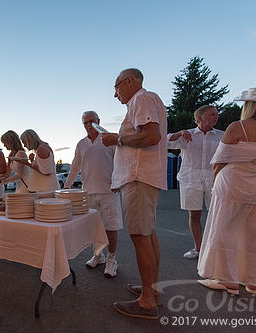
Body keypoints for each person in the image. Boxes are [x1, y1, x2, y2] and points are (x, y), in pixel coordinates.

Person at [197, 88, 256, 295]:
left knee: (225, 231)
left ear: (249, 105)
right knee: (255, 233)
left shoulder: (238, 127)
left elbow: (219, 161)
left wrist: (216, 182)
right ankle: (252, 281)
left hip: (233, 185)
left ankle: (228, 280)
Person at [101, 68, 167, 319]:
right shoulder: (148, 100)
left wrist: (116, 139)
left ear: (129, 82)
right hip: (143, 177)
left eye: (116, 87)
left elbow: (151, 136)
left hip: (139, 177)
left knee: (140, 236)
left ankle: (147, 300)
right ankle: (152, 289)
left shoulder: (141, 98)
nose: (115, 94)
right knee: (148, 234)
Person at [64, 111, 123, 278]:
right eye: (86, 123)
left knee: (111, 227)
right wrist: (66, 188)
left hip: (108, 191)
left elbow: (120, 162)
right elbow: (75, 167)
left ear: (99, 121)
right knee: (94, 227)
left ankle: (112, 259)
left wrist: (118, 181)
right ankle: (99, 256)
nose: (89, 125)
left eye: (92, 121)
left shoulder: (109, 140)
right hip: (88, 191)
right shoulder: (81, 144)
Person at [167, 105, 224, 259]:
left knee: (217, 214)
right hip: (190, 179)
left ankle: (215, 248)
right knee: (194, 215)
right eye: (211, 114)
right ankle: (198, 248)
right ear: (200, 118)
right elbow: (165, 142)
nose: (215, 116)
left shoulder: (222, 136)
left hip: (214, 180)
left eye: (216, 114)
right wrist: (180, 132)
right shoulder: (187, 135)